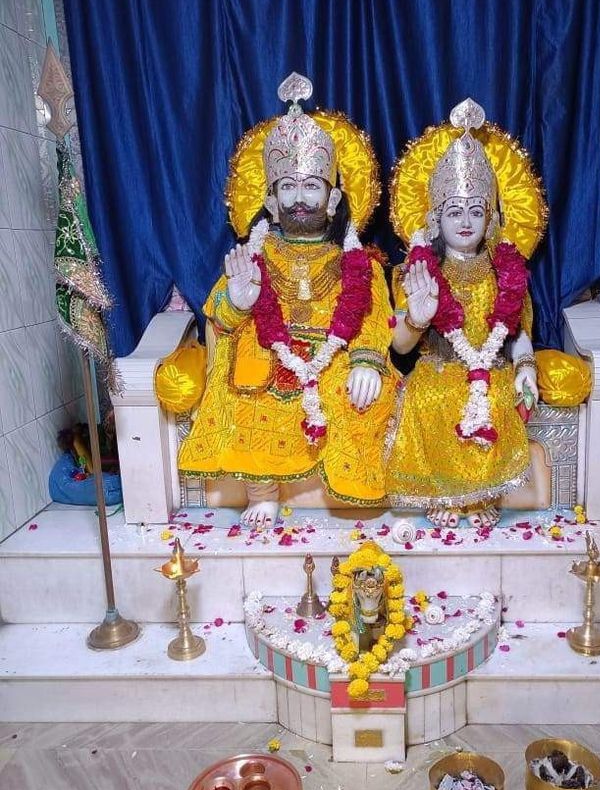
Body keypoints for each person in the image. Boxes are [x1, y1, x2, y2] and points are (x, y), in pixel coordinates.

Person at [179, 73, 396, 527]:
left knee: (360, 387)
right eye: (288, 188)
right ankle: (263, 492)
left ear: (334, 198)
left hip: (333, 359)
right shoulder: (252, 254)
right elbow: (217, 313)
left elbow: (375, 317)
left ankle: (351, 483)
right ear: (271, 201)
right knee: (249, 378)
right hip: (269, 354)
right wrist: (238, 302)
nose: (300, 199)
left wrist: (367, 360)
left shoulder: (359, 263)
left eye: (312, 186)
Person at [385, 99, 545, 528]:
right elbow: (399, 344)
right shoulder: (417, 270)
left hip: (491, 366)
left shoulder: (506, 272)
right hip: (440, 367)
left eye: (477, 211)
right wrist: (418, 318)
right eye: (455, 212)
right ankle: (444, 493)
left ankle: (481, 494)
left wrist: (526, 367)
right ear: (436, 219)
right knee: (431, 396)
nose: (466, 222)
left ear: (492, 220)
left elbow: (518, 333)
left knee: (495, 395)